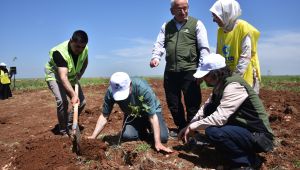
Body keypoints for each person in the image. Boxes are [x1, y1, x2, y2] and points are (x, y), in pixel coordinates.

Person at [178, 53, 274, 169]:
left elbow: (219, 118)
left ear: (216, 73)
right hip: (243, 130)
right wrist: (190, 125)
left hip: (259, 137)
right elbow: (205, 108)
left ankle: (247, 162)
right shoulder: (220, 84)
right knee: (210, 109)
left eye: (206, 75)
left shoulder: (234, 85)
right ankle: (229, 151)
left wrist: (193, 127)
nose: (203, 79)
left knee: (213, 132)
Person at [150, 0, 210, 137]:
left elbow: (204, 48)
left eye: (185, 8)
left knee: (192, 102)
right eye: (179, 9)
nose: (183, 12)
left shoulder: (197, 24)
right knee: (173, 103)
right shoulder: (167, 26)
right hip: (171, 71)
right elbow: (159, 44)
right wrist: (155, 58)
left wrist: (202, 71)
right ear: (172, 11)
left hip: (190, 70)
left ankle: (192, 130)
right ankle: (181, 127)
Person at [88, 72, 173, 153]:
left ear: (130, 85)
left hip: (150, 112)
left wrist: (157, 142)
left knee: (162, 137)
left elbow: (152, 116)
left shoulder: (143, 89)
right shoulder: (110, 92)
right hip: (132, 114)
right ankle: (142, 129)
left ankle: (157, 129)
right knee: (128, 136)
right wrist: (93, 136)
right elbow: (104, 116)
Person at [210, 0, 261, 94]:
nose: (213, 20)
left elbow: (245, 57)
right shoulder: (220, 31)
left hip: (244, 75)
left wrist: (233, 79)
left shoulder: (243, 28)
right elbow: (218, 55)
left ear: (226, 14)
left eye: (216, 16)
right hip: (228, 77)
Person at [45, 30, 89, 136]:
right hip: (55, 76)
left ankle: (70, 125)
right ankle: (63, 131)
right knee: (62, 101)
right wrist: (73, 95)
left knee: (81, 102)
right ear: (71, 41)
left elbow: (85, 61)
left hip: (71, 75)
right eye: (77, 46)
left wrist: (80, 73)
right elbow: (63, 77)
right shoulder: (59, 52)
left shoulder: (84, 49)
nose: (80, 50)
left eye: (82, 47)